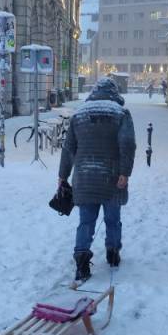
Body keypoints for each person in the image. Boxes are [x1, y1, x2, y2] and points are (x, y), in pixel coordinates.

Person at [58, 78, 137, 282]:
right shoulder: (121, 114)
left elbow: (68, 149)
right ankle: (113, 253)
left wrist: (62, 176)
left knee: (86, 222)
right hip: (112, 177)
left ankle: (82, 261)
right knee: (112, 219)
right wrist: (124, 173)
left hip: (84, 178)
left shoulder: (79, 114)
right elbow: (127, 145)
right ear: (114, 93)